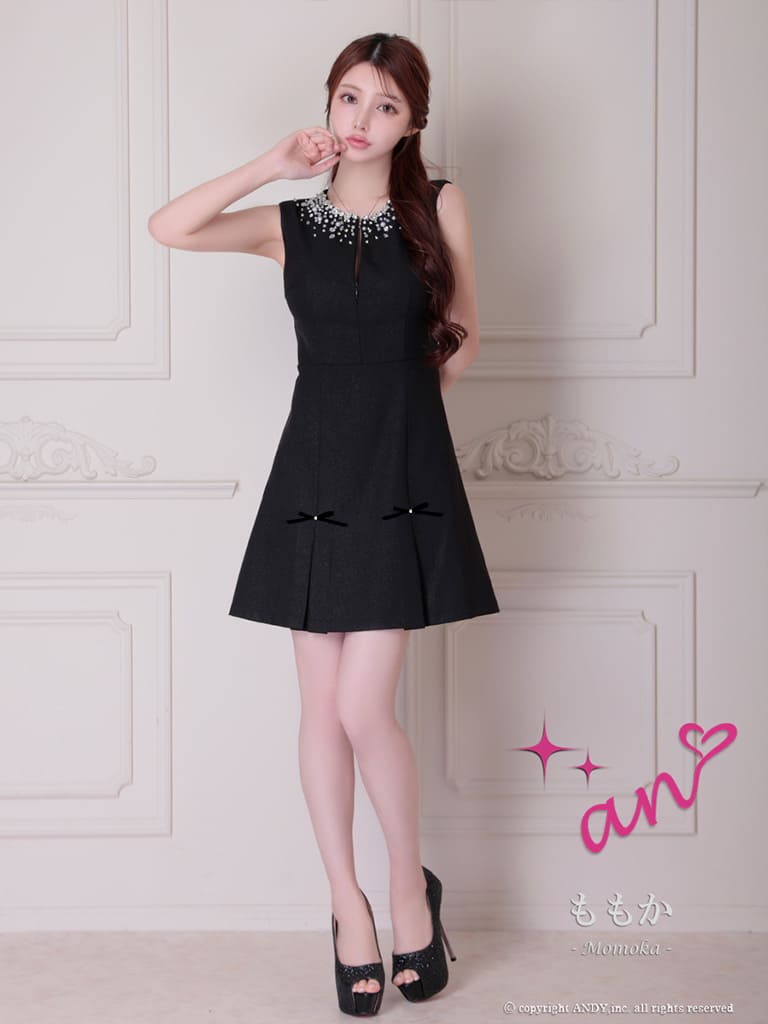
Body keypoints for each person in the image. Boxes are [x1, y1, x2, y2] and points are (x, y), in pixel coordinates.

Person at [149, 31, 498, 1017]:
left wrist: (400, 424)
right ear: (329, 103)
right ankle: (349, 906)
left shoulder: (438, 206)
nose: (361, 119)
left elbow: (466, 339)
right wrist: (272, 163)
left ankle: (408, 891)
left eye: (385, 105)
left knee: (360, 706)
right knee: (320, 709)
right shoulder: (290, 225)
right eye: (349, 97)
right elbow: (169, 227)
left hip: (400, 468)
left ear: (413, 122)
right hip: (310, 471)